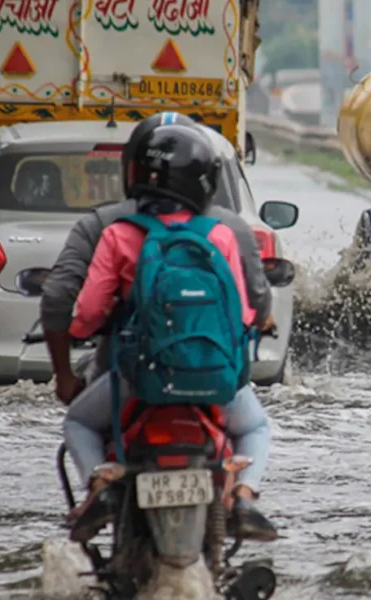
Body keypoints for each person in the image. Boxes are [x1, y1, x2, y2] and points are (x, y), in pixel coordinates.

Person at [51, 120, 278, 544]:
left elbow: (86, 314)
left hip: (139, 380)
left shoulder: (118, 234)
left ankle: (99, 489)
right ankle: (245, 500)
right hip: (214, 383)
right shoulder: (222, 235)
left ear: (134, 175)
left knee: (78, 423)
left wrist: (85, 330)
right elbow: (244, 313)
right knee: (256, 428)